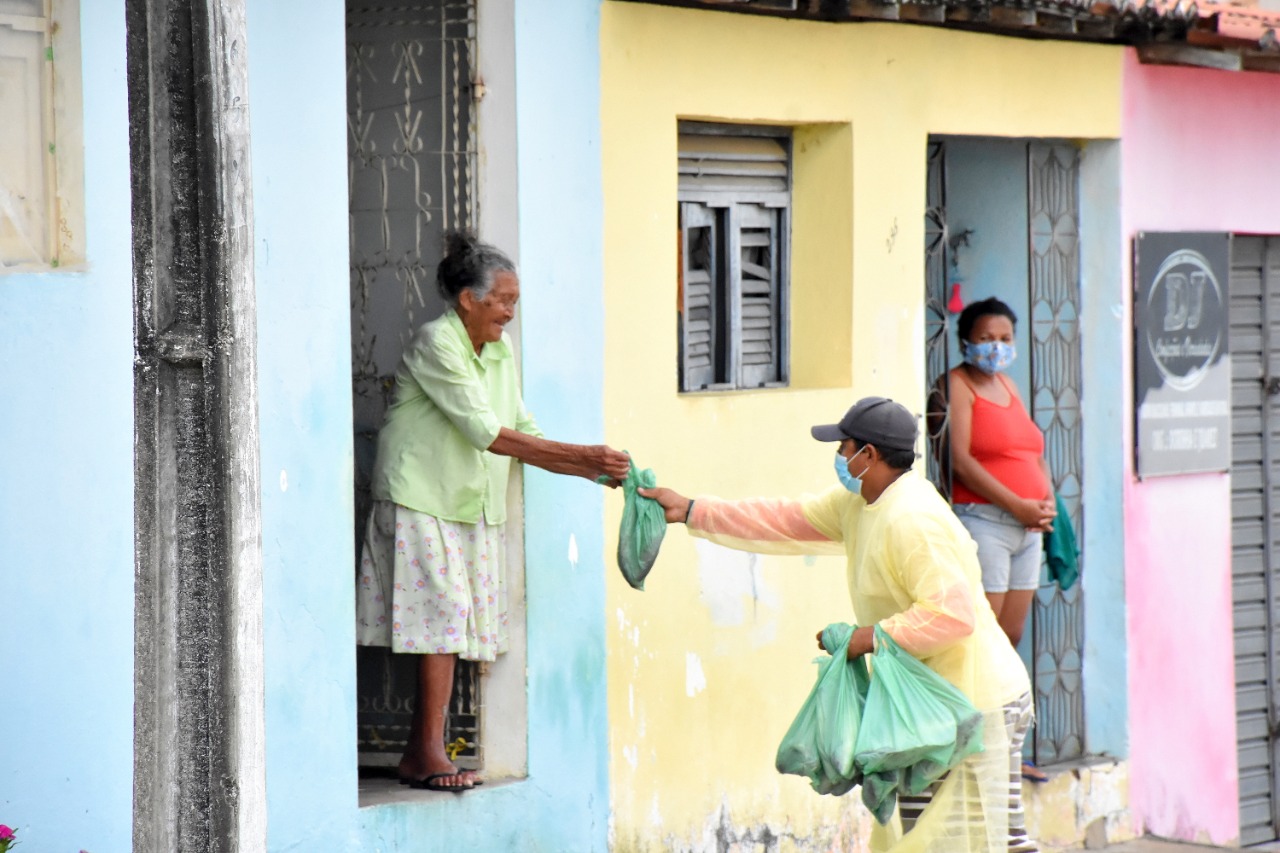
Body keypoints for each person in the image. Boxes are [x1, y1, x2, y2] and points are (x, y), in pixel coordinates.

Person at [641, 397, 1038, 853]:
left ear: (867, 455)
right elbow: (785, 519)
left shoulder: (911, 519)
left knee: (985, 839)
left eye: (843, 446)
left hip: (974, 702)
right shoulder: (861, 503)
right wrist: (692, 510)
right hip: (925, 704)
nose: (838, 457)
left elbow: (951, 615)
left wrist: (864, 639)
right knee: (940, 837)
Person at [356, 231, 631, 792]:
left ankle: (420, 751)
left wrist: (594, 469)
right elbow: (484, 431)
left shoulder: (500, 352)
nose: (510, 311)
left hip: (469, 501)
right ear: (468, 299)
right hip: (420, 493)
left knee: (459, 619)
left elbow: (522, 427)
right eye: (503, 300)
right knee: (444, 613)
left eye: (514, 301)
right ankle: (427, 752)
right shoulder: (438, 343)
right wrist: (580, 458)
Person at [945, 297, 1055, 782]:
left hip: (1027, 529)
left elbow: (1031, 451)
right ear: (966, 340)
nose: (997, 348)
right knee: (980, 638)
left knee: (1009, 638)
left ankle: (1004, 746)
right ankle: (966, 743)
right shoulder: (957, 385)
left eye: (1005, 339)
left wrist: (1044, 505)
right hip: (985, 522)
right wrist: (1017, 504)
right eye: (987, 339)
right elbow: (961, 461)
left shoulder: (1008, 385)